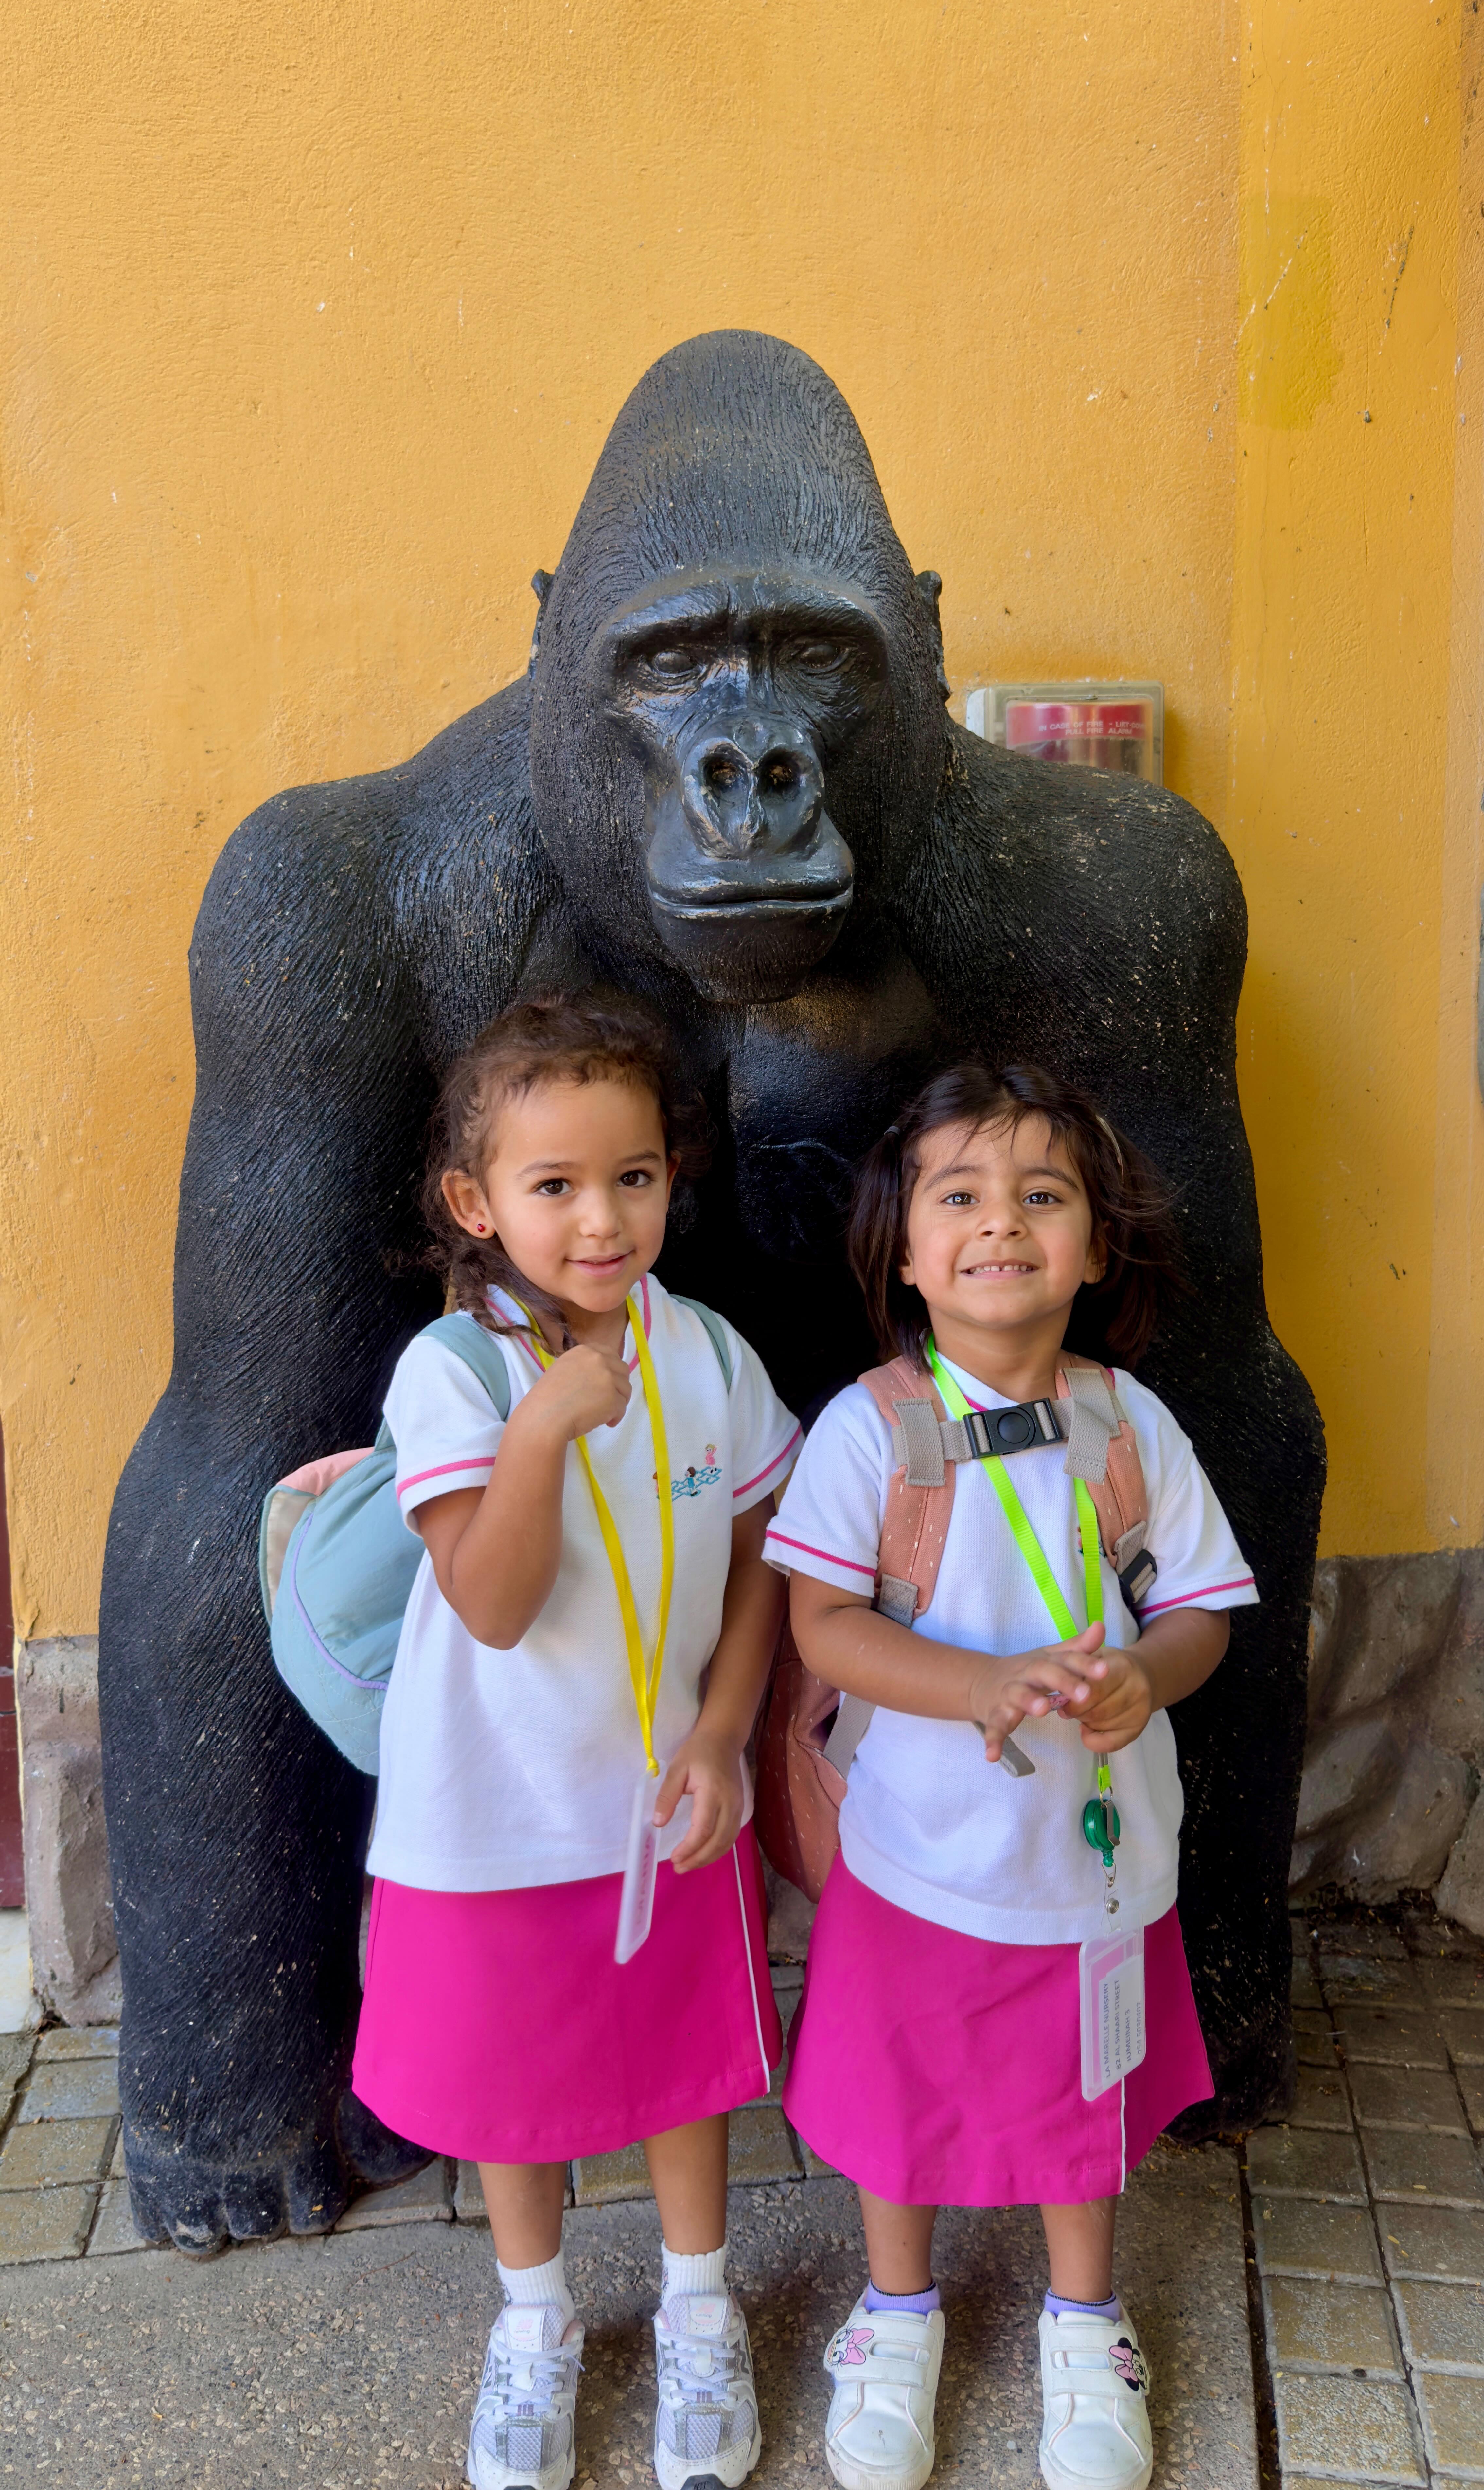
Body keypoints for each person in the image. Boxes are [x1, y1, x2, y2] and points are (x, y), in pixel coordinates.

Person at [763, 1062, 1256, 2490]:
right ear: (905, 1253)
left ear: (1095, 1249)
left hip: (1090, 1859)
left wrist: (1143, 1681)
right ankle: (897, 2313)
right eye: (959, 1197)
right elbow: (823, 1625)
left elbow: (1203, 1611)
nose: (1002, 1225)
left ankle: (1085, 2323)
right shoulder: (872, 1432)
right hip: (918, 1851)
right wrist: (978, 1686)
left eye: (1044, 1197)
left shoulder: (1130, 1427)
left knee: (1083, 2089)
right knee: (899, 2087)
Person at [352, 990, 800, 2490]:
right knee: (513, 2090)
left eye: (634, 1177)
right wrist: (546, 1427)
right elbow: (488, 1604)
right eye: (554, 1187)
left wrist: (728, 1736)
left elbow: (760, 1564)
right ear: (478, 1205)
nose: (600, 1219)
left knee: (680, 2073)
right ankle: (535, 2322)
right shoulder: (456, 1375)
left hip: (666, 1800)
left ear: (674, 1177)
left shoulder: (715, 1357)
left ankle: (697, 2306)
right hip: (488, 1813)